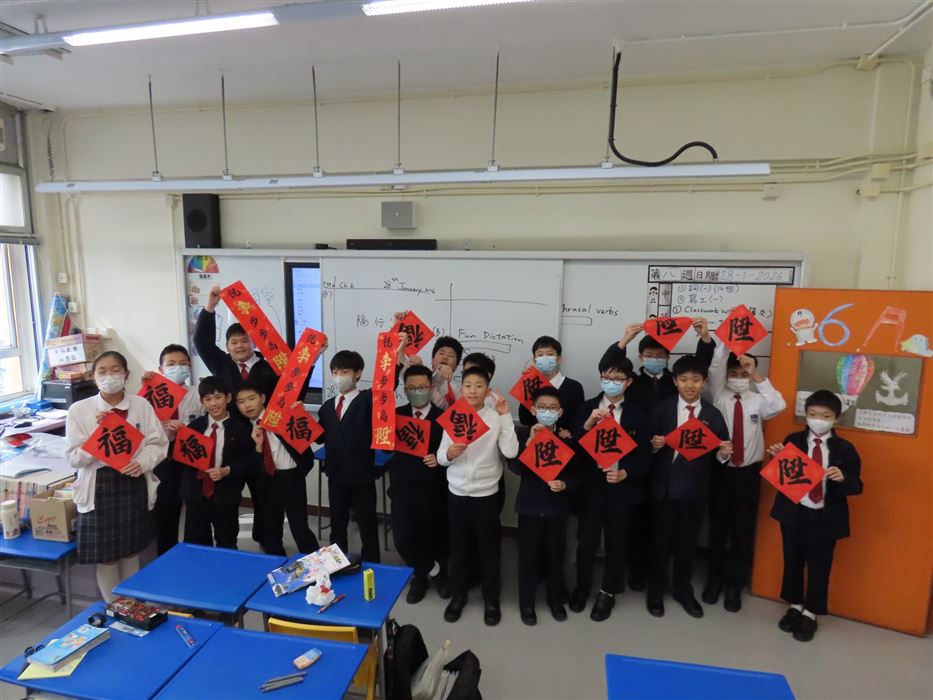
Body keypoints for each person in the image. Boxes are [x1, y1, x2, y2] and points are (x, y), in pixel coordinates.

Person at [695, 319, 787, 611]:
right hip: (721, 472)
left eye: (743, 373)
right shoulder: (718, 395)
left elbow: (779, 405)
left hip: (748, 474)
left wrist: (756, 374)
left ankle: (735, 585)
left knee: (743, 531)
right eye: (733, 373)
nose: (738, 377)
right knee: (717, 529)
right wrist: (724, 341)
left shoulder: (758, 401)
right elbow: (715, 368)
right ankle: (714, 581)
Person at [65, 351, 168, 602]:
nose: (109, 376)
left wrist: (142, 462)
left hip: (132, 481)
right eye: (102, 371)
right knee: (107, 556)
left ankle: (132, 604)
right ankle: (114, 606)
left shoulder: (141, 405)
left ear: (126, 374)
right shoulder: (79, 410)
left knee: (131, 551)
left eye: (115, 370)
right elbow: (73, 458)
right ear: (93, 376)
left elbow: (158, 443)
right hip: (99, 486)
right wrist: (99, 436)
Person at [767, 390, 863, 642]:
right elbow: (783, 477)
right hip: (794, 513)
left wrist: (843, 478)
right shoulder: (793, 440)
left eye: (825, 416)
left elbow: (857, 486)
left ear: (836, 418)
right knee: (792, 560)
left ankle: (811, 612)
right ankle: (794, 605)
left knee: (820, 566)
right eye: (813, 414)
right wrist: (776, 458)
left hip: (825, 517)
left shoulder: (845, 449)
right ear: (805, 414)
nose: (818, 420)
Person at [647, 355, 732, 619]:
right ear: (675, 381)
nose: (689, 385)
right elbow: (643, 448)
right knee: (659, 543)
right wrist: (654, 446)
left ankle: (683, 590)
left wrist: (724, 453)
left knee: (687, 544)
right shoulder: (662, 409)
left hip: (694, 490)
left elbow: (720, 454)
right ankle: (656, 592)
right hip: (664, 489)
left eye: (696, 380)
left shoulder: (712, 414)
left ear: (705, 382)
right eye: (683, 379)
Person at [193, 285, 280, 544]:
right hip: (230, 442)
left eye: (245, 340)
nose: (240, 346)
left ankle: (266, 539)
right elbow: (201, 342)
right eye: (234, 342)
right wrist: (210, 307)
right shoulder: (221, 363)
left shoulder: (270, 366)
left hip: (262, 440)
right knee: (227, 499)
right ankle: (226, 542)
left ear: (253, 342)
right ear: (227, 346)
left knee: (264, 494)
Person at [570, 350, 651, 622]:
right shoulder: (587, 407)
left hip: (622, 489)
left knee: (617, 541)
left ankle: (608, 592)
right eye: (606, 377)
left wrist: (626, 473)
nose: (611, 383)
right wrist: (587, 425)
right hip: (591, 486)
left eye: (618, 379)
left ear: (628, 382)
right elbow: (574, 451)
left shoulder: (637, 414)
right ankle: (582, 588)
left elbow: (645, 456)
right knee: (587, 541)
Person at [438, 367, 518, 626]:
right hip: (457, 493)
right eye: (468, 385)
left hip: (486, 494)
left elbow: (511, 452)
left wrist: (506, 416)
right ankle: (458, 595)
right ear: (461, 389)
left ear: (487, 390)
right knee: (459, 548)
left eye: (479, 385)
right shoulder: (453, 416)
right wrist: (448, 454)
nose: (473, 390)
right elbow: (440, 457)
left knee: (489, 549)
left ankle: (491, 599)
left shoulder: (495, 418)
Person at [602, 322, 678, 592]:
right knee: (634, 518)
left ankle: (656, 573)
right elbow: (607, 367)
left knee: (661, 520)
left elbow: (701, 371)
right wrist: (624, 340)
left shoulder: (675, 381)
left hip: (667, 457)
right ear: (640, 356)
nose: (655, 360)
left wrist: (704, 339)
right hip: (632, 458)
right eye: (649, 355)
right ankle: (634, 569)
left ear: (667, 357)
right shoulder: (631, 381)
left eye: (660, 356)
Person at [317, 345, 404, 563]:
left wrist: (397, 353)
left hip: (361, 476)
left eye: (345, 372)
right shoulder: (327, 407)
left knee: (367, 525)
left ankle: (372, 565)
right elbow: (319, 436)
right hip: (336, 476)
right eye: (335, 372)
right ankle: (337, 564)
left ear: (358, 373)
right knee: (337, 524)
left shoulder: (368, 399)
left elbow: (387, 385)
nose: (339, 376)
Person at [509, 386, 579, 625]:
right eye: (542, 407)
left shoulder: (567, 439)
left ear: (560, 412)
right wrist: (530, 442)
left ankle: (555, 600)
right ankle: (526, 603)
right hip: (529, 507)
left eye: (552, 408)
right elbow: (516, 468)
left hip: (556, 508)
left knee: (555, 556)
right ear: (533, 410)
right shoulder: (522, 435)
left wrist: (565, 484)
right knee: (527, 558)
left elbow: (579, 475)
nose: (547, 412)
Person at [387, 365, 450, 603]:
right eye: (412, 388)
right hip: (402, 488)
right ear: (405, 390)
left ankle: (423, 577)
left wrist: (439, 458)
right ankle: (433, 572)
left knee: (432, 536)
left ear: (431, 387)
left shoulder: (443, 418)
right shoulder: (396, 414)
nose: (417, 392)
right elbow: (385, 448)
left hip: (432, 489)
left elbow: (451, 454)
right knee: (402, 539)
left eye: (422, 387)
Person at [235, 381, 319, 556]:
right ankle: (277, 562)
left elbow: (312, 436)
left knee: (299, 526)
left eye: (251, 398)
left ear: (262, 398)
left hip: (291, 476)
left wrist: (300, 413)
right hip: (266, 479)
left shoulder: (282, 414)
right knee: (271, 526)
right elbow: (250, 467)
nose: (247, 405)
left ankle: (317, 562)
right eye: (241, 402)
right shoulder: (242, 430)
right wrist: (258, 446)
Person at [180, 377, 258, 549]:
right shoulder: (194, 427)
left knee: (227, 541)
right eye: (208, 399)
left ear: (228, 398)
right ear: (202, 402)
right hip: (196, 494)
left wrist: (228, 470)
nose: (213, 403)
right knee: (196, 542)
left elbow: (247, 460)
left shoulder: (242, 428)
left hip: (225, 494)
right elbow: (182, 458)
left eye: (218, 397)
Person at [146, 344, 205, 554]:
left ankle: (193, 552)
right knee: (166, 506)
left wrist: (185, 430)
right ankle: (166, 552)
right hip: (163, 455)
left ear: (189, 367)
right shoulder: (149, 396)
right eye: (171, 364)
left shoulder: (197, 393)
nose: (177, 368)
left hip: (190, 453)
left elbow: (206, 425)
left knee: (195, 506)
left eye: (182, 363)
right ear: (160, 369)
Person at [517, 335, 585, 436]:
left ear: (558, 359)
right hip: (535, 438)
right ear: (535, 360)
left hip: (564, 441)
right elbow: (524, 419)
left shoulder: (574, 387)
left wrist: (571, 433)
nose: (545, 358)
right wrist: (527, 384)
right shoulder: (531, 385)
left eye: (550, 354)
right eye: (540, 355)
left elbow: (579, 420)